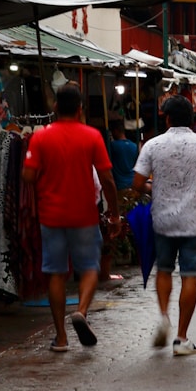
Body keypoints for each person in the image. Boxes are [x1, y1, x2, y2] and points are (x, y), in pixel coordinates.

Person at [22, 82, 120, 352]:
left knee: (56, 273)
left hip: (51, 216)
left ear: (55, 107)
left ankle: (61, 338)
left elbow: (28, 175)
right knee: (89, 267)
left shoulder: (40, 137)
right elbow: (108, 179)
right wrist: (114, 213)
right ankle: (82, 311)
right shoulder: (92, 136)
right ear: (80, 109)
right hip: (84, 214)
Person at [131, 95, 196, 356]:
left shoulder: (153, 145)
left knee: (163, 270)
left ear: (167, 118)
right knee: (190, 275)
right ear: (194, 118)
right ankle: (181, 339)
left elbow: (138, 184)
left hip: (163, 220)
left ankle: (164, 315)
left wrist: (155, 185)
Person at [107, 119, 138, 192]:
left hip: (119, 184)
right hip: (132, 182)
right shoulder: (134, 146)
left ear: (116, 131)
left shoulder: (113, 146)